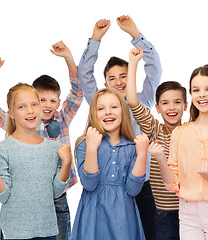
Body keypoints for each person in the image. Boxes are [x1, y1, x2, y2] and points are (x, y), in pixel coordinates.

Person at [0, 41, 83, 240]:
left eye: (51, 101)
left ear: (58, 103)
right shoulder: (15, 124)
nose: (43, 107)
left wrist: (68, 58)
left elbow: (78, 92)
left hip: (55, 198)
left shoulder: (63, 118)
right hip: (19, 207)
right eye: (39, 100)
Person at [127, 45, 208, 239]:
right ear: (157, 107)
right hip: (162, 211)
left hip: (191, 210)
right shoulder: (154, 130)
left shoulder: (193, 129)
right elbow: (132, 101)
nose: (171, 107)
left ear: (185, 105)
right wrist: (133, 64)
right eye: (165, 103)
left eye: (177, 102)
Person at [78, 15, 161, 239]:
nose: (119, 82)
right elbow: (84, 76)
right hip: (104, 187)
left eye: (124, 76)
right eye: (112, 78)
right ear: (105, 84)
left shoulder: (142, 101)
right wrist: (95, 39)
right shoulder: (102, 105)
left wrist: (135, 34)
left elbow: (154, 69)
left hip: (140, 184)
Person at [149, 64, 208, 240]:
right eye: (196, 90)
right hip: (187, 214)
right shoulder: (180, 133)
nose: (202, 94)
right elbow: (173, 183)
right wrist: (160, 160)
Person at [0, 83, 71, 240]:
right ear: (11, 113)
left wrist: (67, 163)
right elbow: (2, 196)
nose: (30, 110)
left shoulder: (53, 148)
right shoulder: (3, 148)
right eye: (22, 107)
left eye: (34, 104)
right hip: (15, 232)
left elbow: (56, 192)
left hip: (47, 231)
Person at [71, 88, 149, 240]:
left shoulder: (132, 147)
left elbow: (133, 189)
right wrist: (92, 148)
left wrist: (142, 154)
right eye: (101, 108)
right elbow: (89, 184)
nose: (108, 112)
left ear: (123, 111)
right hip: (93, 215)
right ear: (94, 113)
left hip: (123, 218)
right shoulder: (84, 143)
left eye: (114, 107)